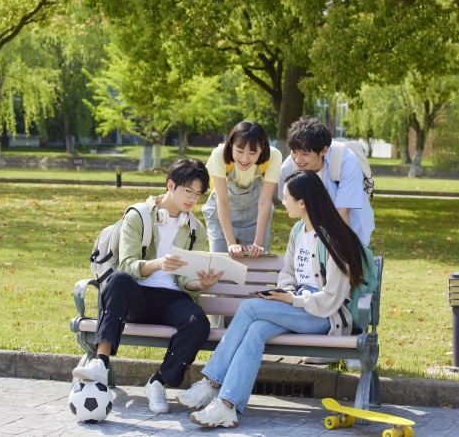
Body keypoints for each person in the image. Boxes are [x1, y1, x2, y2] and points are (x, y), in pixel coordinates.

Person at [177, 170, 369, 429]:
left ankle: (211, 383)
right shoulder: (299, 230)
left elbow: (332, 298)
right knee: (256, 330)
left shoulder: (333, 239)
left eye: (287, 197)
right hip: (295, 306)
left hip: (324, 316)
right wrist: (287, 294)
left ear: (303, 202)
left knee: (248, 308)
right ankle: (227, 406)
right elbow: (287, 273)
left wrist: (293, 301)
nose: (283, 202)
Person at [72, 158, 224, 414]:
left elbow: (186, 280)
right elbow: (127, 264)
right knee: (118, 279)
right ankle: (101, 362)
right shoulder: (139, 215)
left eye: (197, 194)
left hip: (172, 299)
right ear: (170, 185)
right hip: (138, 295)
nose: (192, 199)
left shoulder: (195, 229)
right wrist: (158, 264)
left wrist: (201, 283)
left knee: (199, 322)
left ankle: (158, 382)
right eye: (188, 191)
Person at [278, 115, 374, 247]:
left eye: (305, 154)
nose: (298, 159)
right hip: (315, 233)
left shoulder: (345, 160)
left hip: (352, 227)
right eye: (294, 152)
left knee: (353, 260)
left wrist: (346, 253)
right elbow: (294, 207)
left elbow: (343, 212)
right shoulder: (289, 168)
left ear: (323, 150)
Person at [202, 120, 282, 258]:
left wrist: (258, 244)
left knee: (253, 271)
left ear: (262, 149)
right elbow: (222, 202)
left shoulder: (273, 156)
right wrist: (231, 243)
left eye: (252, 152)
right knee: (220, 266)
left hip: (255, 218)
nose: (245, 159)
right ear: (231, 144)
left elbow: (265, 202)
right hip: (221, 216)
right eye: (239, 151)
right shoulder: (219, 154)